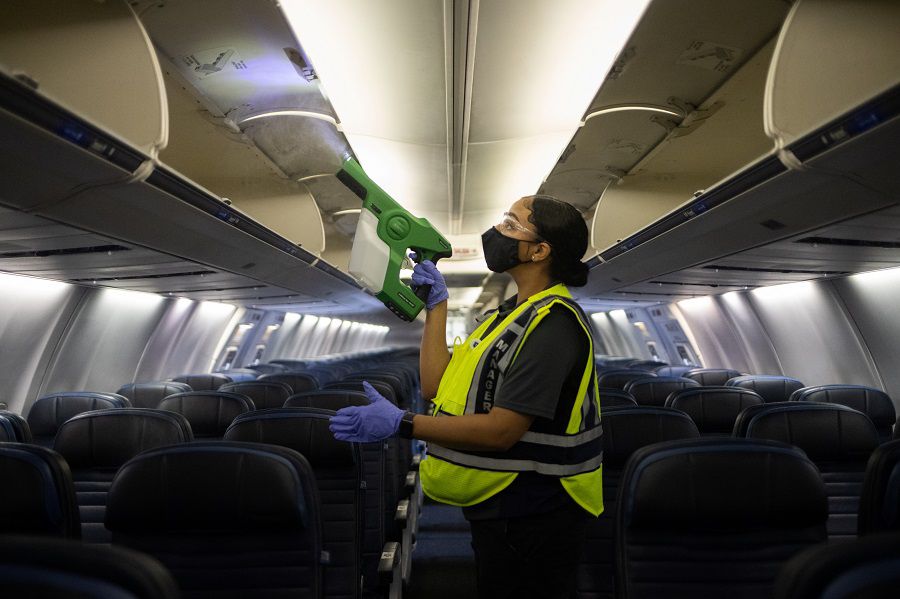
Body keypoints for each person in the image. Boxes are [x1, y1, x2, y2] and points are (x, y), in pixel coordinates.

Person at [330, 194, 603, 599]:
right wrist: (436, 308)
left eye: (511, 225)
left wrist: (403, 423)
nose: (497, 232)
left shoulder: (552, 325)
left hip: (538, 513)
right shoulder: (506, 316)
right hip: (502, 503)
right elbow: (436, 386)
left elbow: (502, 432)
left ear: (540, 250)